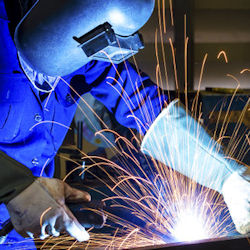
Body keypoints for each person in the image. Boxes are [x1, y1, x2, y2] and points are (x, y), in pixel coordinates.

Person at [0, 0, 249, 249]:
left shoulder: (83, 44)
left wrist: (226, 176)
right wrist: (14, 185)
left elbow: (144, 105)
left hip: (19, 235)